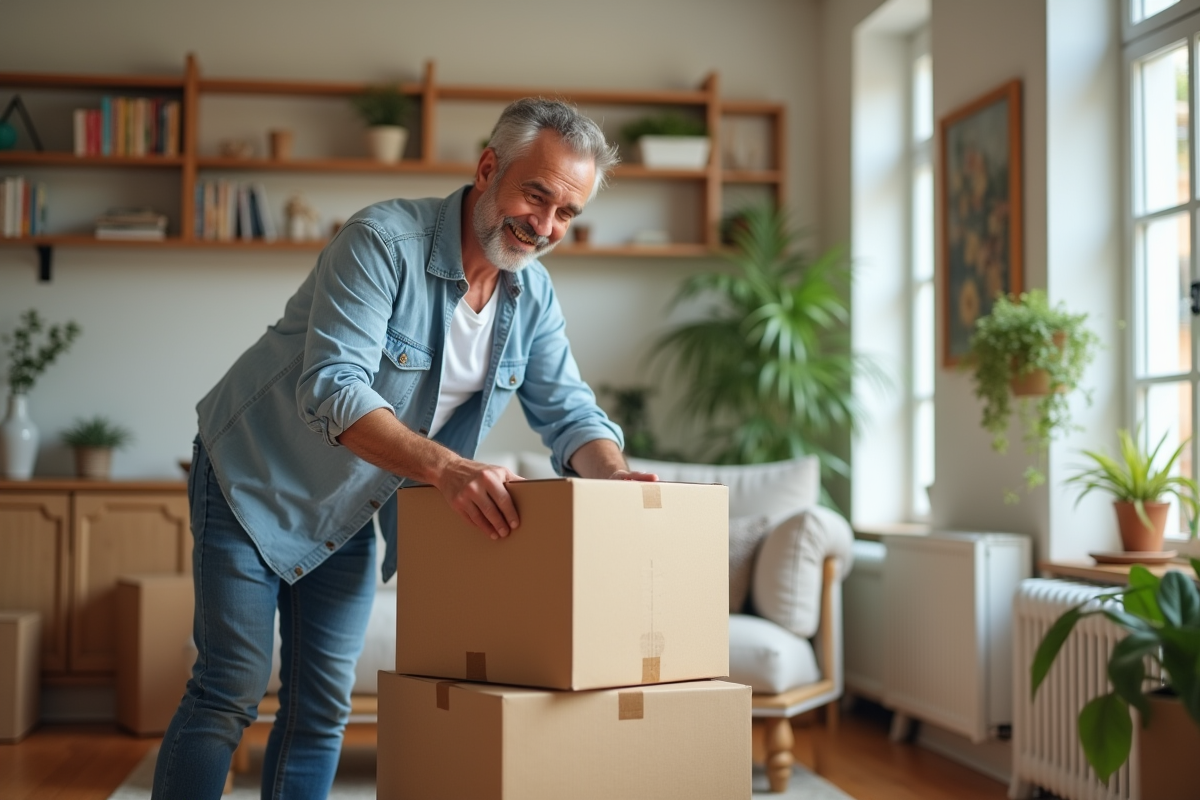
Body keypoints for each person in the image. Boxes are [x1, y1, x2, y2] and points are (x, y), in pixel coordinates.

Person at [152, 98, 657, 800]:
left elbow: (570, 410)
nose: (544, 227)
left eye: (566, 213)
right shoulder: (381, 242)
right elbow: (334, 388)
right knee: (229, 689)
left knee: (320, 707)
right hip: (254, 477)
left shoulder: (532, 296)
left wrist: (615, 477)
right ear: (488, 169)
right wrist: (449, 470)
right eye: (535, 196)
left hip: (351, 505)